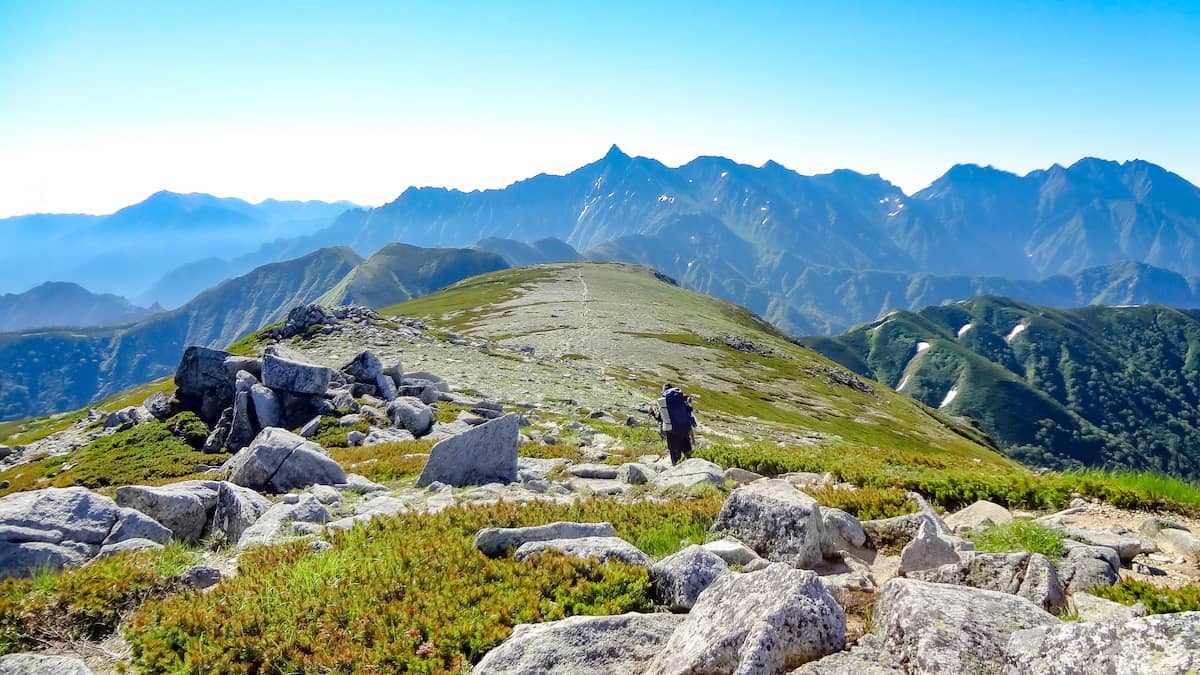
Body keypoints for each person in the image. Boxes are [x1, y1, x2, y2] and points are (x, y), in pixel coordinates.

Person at [652, 383, 697, 465]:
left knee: (675, 457)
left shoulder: (665, 402)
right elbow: (688, 415)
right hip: (684, 430)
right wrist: (692, 438)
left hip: (672, 433)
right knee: (688, 454)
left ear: (664, 391)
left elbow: (659, 418)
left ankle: (675, 469)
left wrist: (652, 412)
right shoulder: (680, 399)